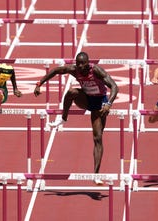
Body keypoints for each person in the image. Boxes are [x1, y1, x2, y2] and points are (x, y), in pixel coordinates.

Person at [34, 52, 119, 185]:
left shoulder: (96, 70)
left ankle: (96, 174)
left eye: (82, 63)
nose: (79, 66)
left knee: (97, 138)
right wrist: (40, 83)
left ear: (88, 63)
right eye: (77, 63)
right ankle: (63, 118)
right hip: (85, 99)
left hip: (100, 103)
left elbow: (114, 86)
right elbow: (56, 70)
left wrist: (109, 104)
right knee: (72, 92)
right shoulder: (74, 70)